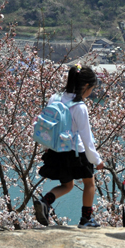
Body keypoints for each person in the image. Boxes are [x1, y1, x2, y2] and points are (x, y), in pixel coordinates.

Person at [34, 64, 105, 228]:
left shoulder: (55, 98)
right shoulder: (80, 107)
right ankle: (86, 219)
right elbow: (87, 139)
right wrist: (96, 160)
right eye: (91, 89)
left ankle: (45, 201)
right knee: (89, 183)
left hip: (57, 150)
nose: (91, 93)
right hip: (76, 152)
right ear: (86, 86)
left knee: (67, 185)